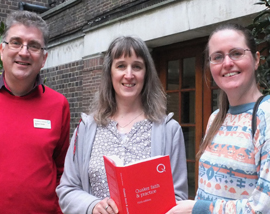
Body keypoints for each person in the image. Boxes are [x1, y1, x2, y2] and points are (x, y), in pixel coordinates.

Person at [56, 36, 188, 214]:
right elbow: (67, 190)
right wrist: (92, 206)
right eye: (121, 66)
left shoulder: (169, 130)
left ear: (146, 73)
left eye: (137, 66)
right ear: (110, 73)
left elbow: (178, 198)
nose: (129, 74)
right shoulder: (87, 128)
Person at [0, 11, 70, 213]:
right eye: (16, 42)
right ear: (1, 50)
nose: (24, 52)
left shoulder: (58, 105)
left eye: (33, 46)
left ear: (43, 58)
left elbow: (63, 172)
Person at [167, 23, 270, 214]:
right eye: (218, 57)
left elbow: (264, 208)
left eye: (237, 53)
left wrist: (196, 209)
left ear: (256, 60)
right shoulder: (216, 118)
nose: (227, 63)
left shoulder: (266, 116)